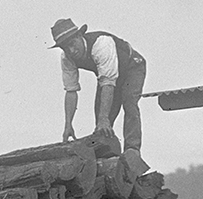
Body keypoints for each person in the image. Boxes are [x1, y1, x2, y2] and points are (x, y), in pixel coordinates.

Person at [51, 18, 148, 154]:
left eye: (72, 44)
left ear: (80, 36)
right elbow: (71, 91)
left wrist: (104, 119)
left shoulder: (101, 43)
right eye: (66, 48)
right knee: (100, 120)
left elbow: (108, 83)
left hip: (131, 68)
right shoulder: (66, 58)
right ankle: (106, 154)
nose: (71, 50)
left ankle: (132, 150)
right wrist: (68, 124)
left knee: (129, 102)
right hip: (107, 75)